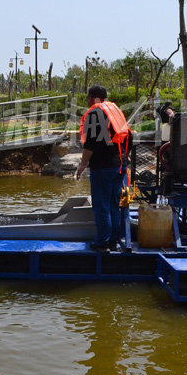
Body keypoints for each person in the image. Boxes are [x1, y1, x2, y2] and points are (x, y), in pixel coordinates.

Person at [75, 85, 131, 252]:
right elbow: (130, 136)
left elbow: (90, 144)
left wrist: (82, 165)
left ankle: (102, 242)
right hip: (119, 166)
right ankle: (113, 240)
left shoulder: (95, 113)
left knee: (101, 206)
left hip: (102, 167)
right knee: (114, 205)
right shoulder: (116, 111)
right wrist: (125, 156)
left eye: (88, 98)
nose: (87, 101)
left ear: (92, 98)